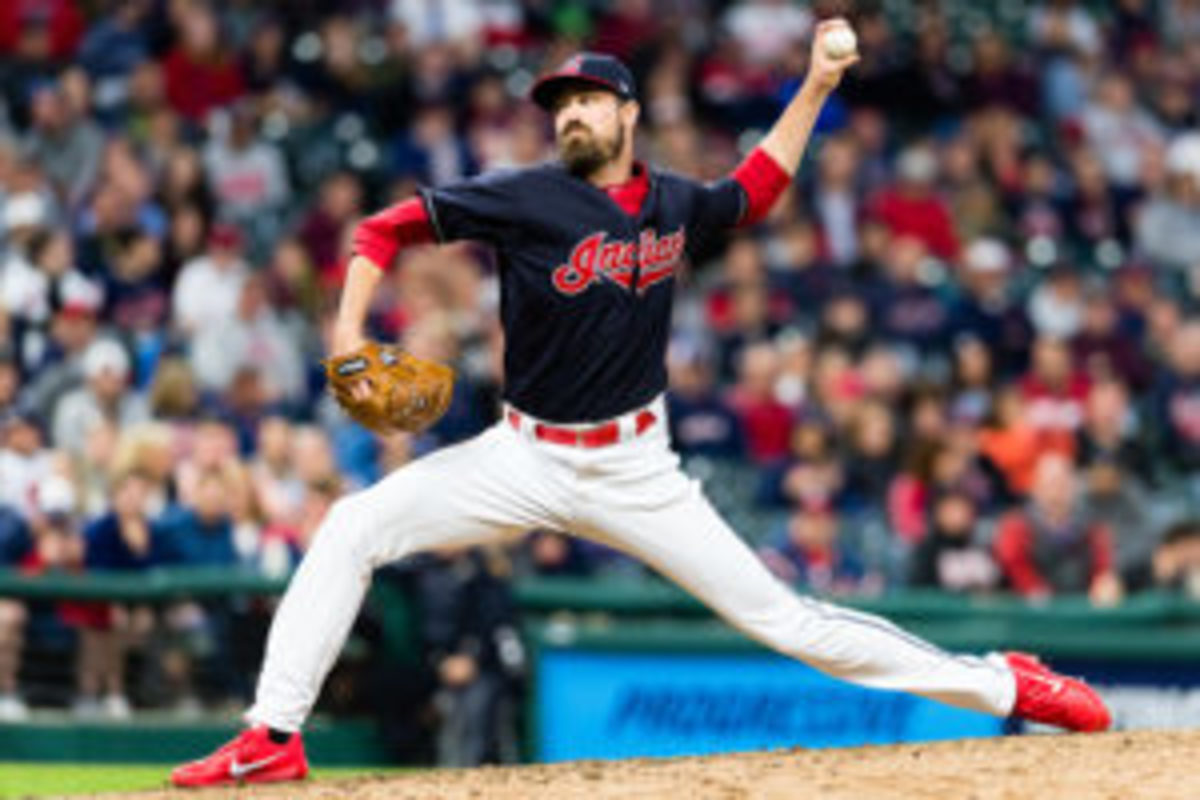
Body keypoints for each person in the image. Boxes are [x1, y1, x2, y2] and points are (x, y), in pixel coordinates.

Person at [172, 22, 1109, 788]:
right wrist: (346, 335)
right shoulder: (522, 197)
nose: (570, 113)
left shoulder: (670, 203)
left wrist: (817, 84)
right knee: (352, 526)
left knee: (790, 624)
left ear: (626, 112)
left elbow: (755, 189)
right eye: (559, 104)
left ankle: (1006, 684)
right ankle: (273, 735)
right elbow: (384, 228)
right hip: (523, 457)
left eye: (586, 99)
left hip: (638, 468)